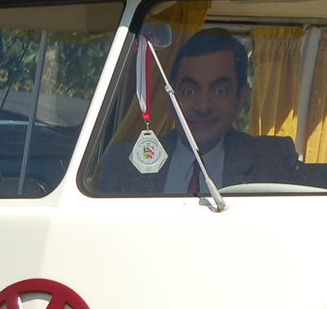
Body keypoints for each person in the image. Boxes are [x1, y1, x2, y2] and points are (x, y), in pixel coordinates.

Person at [95, 28, 298, 195]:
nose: (203, 106)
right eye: (189, 91)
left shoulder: (273, 162)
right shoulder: (122, 164)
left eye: (220, 90)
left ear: (240, 97)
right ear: (170, 97)